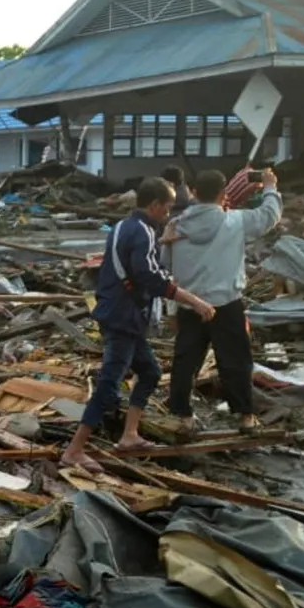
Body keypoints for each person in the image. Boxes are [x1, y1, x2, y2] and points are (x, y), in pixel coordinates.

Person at [61, 178, 216, 471]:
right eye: (168, 208)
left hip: (117, 313)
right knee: (109, 384)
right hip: (124, 317)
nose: (168, 214)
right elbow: (151, 277)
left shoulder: (121, 227)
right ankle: (75, 449)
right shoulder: (143, 232)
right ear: (155, 205)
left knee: (150, 372)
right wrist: (194, 300)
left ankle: (130, 435)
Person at [162, 168, 281, 433]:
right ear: (223, 194)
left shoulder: (176, 225)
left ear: (193, 192)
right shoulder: (235, 221)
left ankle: (182, 416)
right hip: (226, 304)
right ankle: (245, 417)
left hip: (189, 304)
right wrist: (270, 186)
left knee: (185, 360)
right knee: (235, 360)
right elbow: (269, 216)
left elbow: (165, 264)